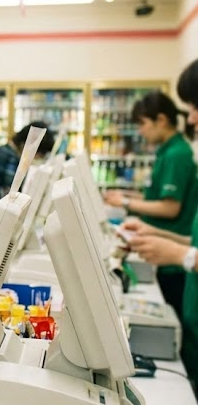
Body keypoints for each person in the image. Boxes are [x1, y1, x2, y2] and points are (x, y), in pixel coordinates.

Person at [123, 58, 198, 394]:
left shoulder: (178, 154)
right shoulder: (172, 152)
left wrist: (180, 255)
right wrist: (158, 235)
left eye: (196, 107)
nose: (192, 119)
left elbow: (171, 209)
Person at [106, 91, 198, 321]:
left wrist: (126, 202)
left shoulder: (177, 154)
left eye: (143, 124)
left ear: (161, 120)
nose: (141, 131)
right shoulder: (167, 151)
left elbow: (170, 207)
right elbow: (155, 195)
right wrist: (128, 195)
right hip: (172, 250)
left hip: (175, 262)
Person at [0, 121, 56, 231]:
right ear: (26, 145)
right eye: (38, 154)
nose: (36, 158)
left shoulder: (1, 151)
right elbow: (9, 196)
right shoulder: (10, 159)